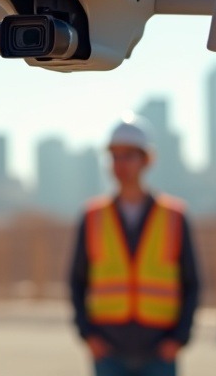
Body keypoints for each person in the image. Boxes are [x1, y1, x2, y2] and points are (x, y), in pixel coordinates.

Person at [69, 114, 201, 376]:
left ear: (147, 160)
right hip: (108, 352)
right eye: (115, 156)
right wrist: (88, 336)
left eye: (129, 155)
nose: (120, 164)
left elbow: (192, 283)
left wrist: (179, 339)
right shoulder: (92, 216)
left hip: (160, 352)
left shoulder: (175, 216)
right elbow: (76, 281)